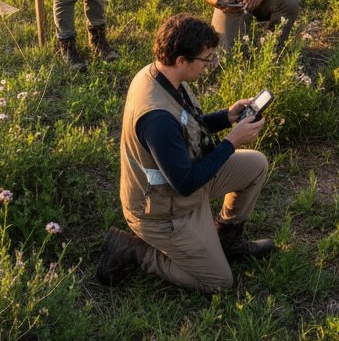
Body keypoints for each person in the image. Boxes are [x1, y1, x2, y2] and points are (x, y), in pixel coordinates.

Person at [95, 14, 273, 292]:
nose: (209, 65)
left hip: (181, 185)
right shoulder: (157, 118)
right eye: (206, 59)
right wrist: (231, 142)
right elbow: (186, 183)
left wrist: (227, 117)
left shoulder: (161, 76)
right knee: (219, 282)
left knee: (256, 164)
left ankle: (226, 239)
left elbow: (188, 124)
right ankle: (134, 250)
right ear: (181, 60)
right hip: (160, 210)